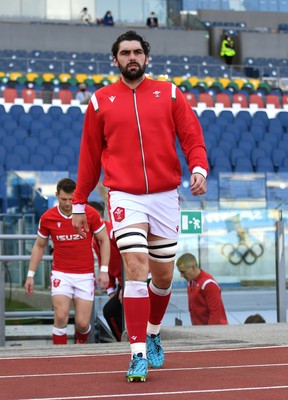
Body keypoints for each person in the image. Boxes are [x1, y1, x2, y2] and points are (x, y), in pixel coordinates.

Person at [71, 30, 208, 382]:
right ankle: (136, 354)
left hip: (164, 195)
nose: (131, 57)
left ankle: (152, 332)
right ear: (115, 60)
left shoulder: (170, 93)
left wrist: (198, 167)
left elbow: (191, 135)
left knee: (162, 277)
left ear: (146, 57)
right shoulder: (100, 101)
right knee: (135, 266)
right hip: (124, 195)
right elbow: (88, 158)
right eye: (124, 52)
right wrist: (78, 202)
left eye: (137, 52)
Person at [24, 178, 110, 345]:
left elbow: (104, 240)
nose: (68, 203)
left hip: (85, 274)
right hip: (61, 274)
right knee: (61, 315)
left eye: (71, 199)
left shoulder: (90, 213)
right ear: (57, 195)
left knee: (83, 324)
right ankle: (59, 356)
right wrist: (30, 275)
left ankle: (81, 343)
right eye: (64, 199)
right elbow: (39, 246)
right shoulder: (48, 218)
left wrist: (104, 270)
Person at [89, 201, 124, 342]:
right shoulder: (95, 240)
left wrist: (128, 285)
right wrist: (111, 291)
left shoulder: (112, 232)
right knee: (110, 311)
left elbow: (130, 257)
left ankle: (132, 342)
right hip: (123, 282)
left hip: (135, 278)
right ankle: (124, 342)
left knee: (113, 311)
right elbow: (106, 264)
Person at [176, 253, 228, 326]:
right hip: (201, 329)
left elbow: (216, 312)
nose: (181, 275)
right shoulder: (190, 282)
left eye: (183, 272)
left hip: (214, 330)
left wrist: (209, 333)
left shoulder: (208, 284)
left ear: (193, 268)